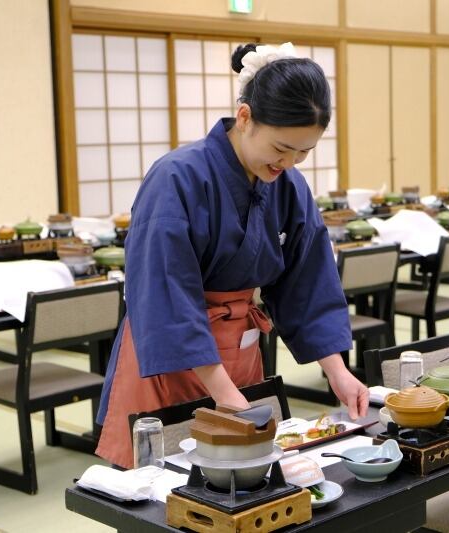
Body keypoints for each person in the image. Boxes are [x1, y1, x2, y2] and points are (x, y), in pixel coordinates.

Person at [95, 42, 369, 468]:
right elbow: (164, 294)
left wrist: (337, 371)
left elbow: (307, 283)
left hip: (239, 353)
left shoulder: (288, 185)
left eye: (304, 152)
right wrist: (222, 393)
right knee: (165, 489)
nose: (290, 163)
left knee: (241, 486)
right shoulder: (176, 178)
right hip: (168, 358)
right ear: (245, 118)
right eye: (281, 148)